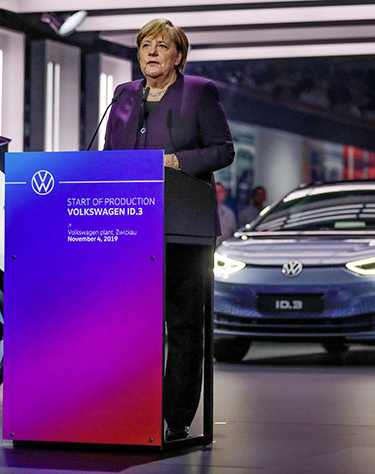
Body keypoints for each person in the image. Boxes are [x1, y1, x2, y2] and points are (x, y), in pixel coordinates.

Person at [103, 18, 235, 441]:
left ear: (179, 55)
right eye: (145, 46)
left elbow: (223, 150)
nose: (152, 52)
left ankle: (176, 416)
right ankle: (129, 407)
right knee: (132, 321)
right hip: (129, 225)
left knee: (181, 323)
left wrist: (175, 162)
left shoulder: (199, 92)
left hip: (184, 227)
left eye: (162, 46)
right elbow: (109, 155)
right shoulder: (123, 96)